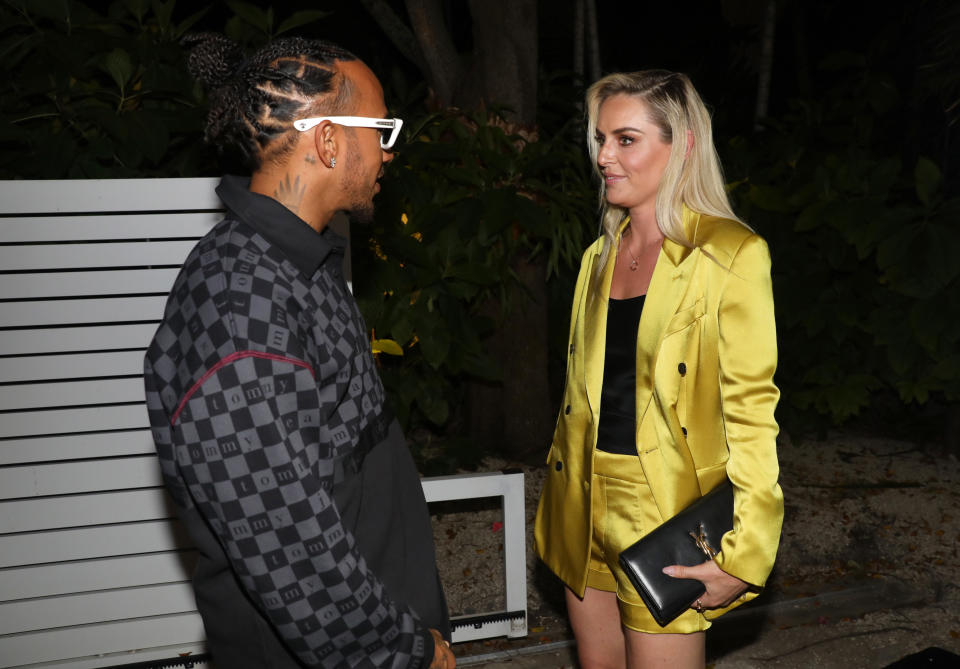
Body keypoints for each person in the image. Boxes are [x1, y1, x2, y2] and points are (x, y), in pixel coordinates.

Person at [144, 34, 455, 669]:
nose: (387, 153)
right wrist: (400, 653)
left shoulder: (295, 263)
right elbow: (288, 548)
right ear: (331, 140)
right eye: (381, 129)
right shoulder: (240, 311)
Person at [534, 70, 784, 668]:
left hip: (665, 511)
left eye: (626, 140)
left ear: (684, 146)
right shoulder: (598, 256)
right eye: (600, 139)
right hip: (582, 501)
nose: (604, 157)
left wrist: (744, 553)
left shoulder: (730, 255)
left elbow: (751, 412)